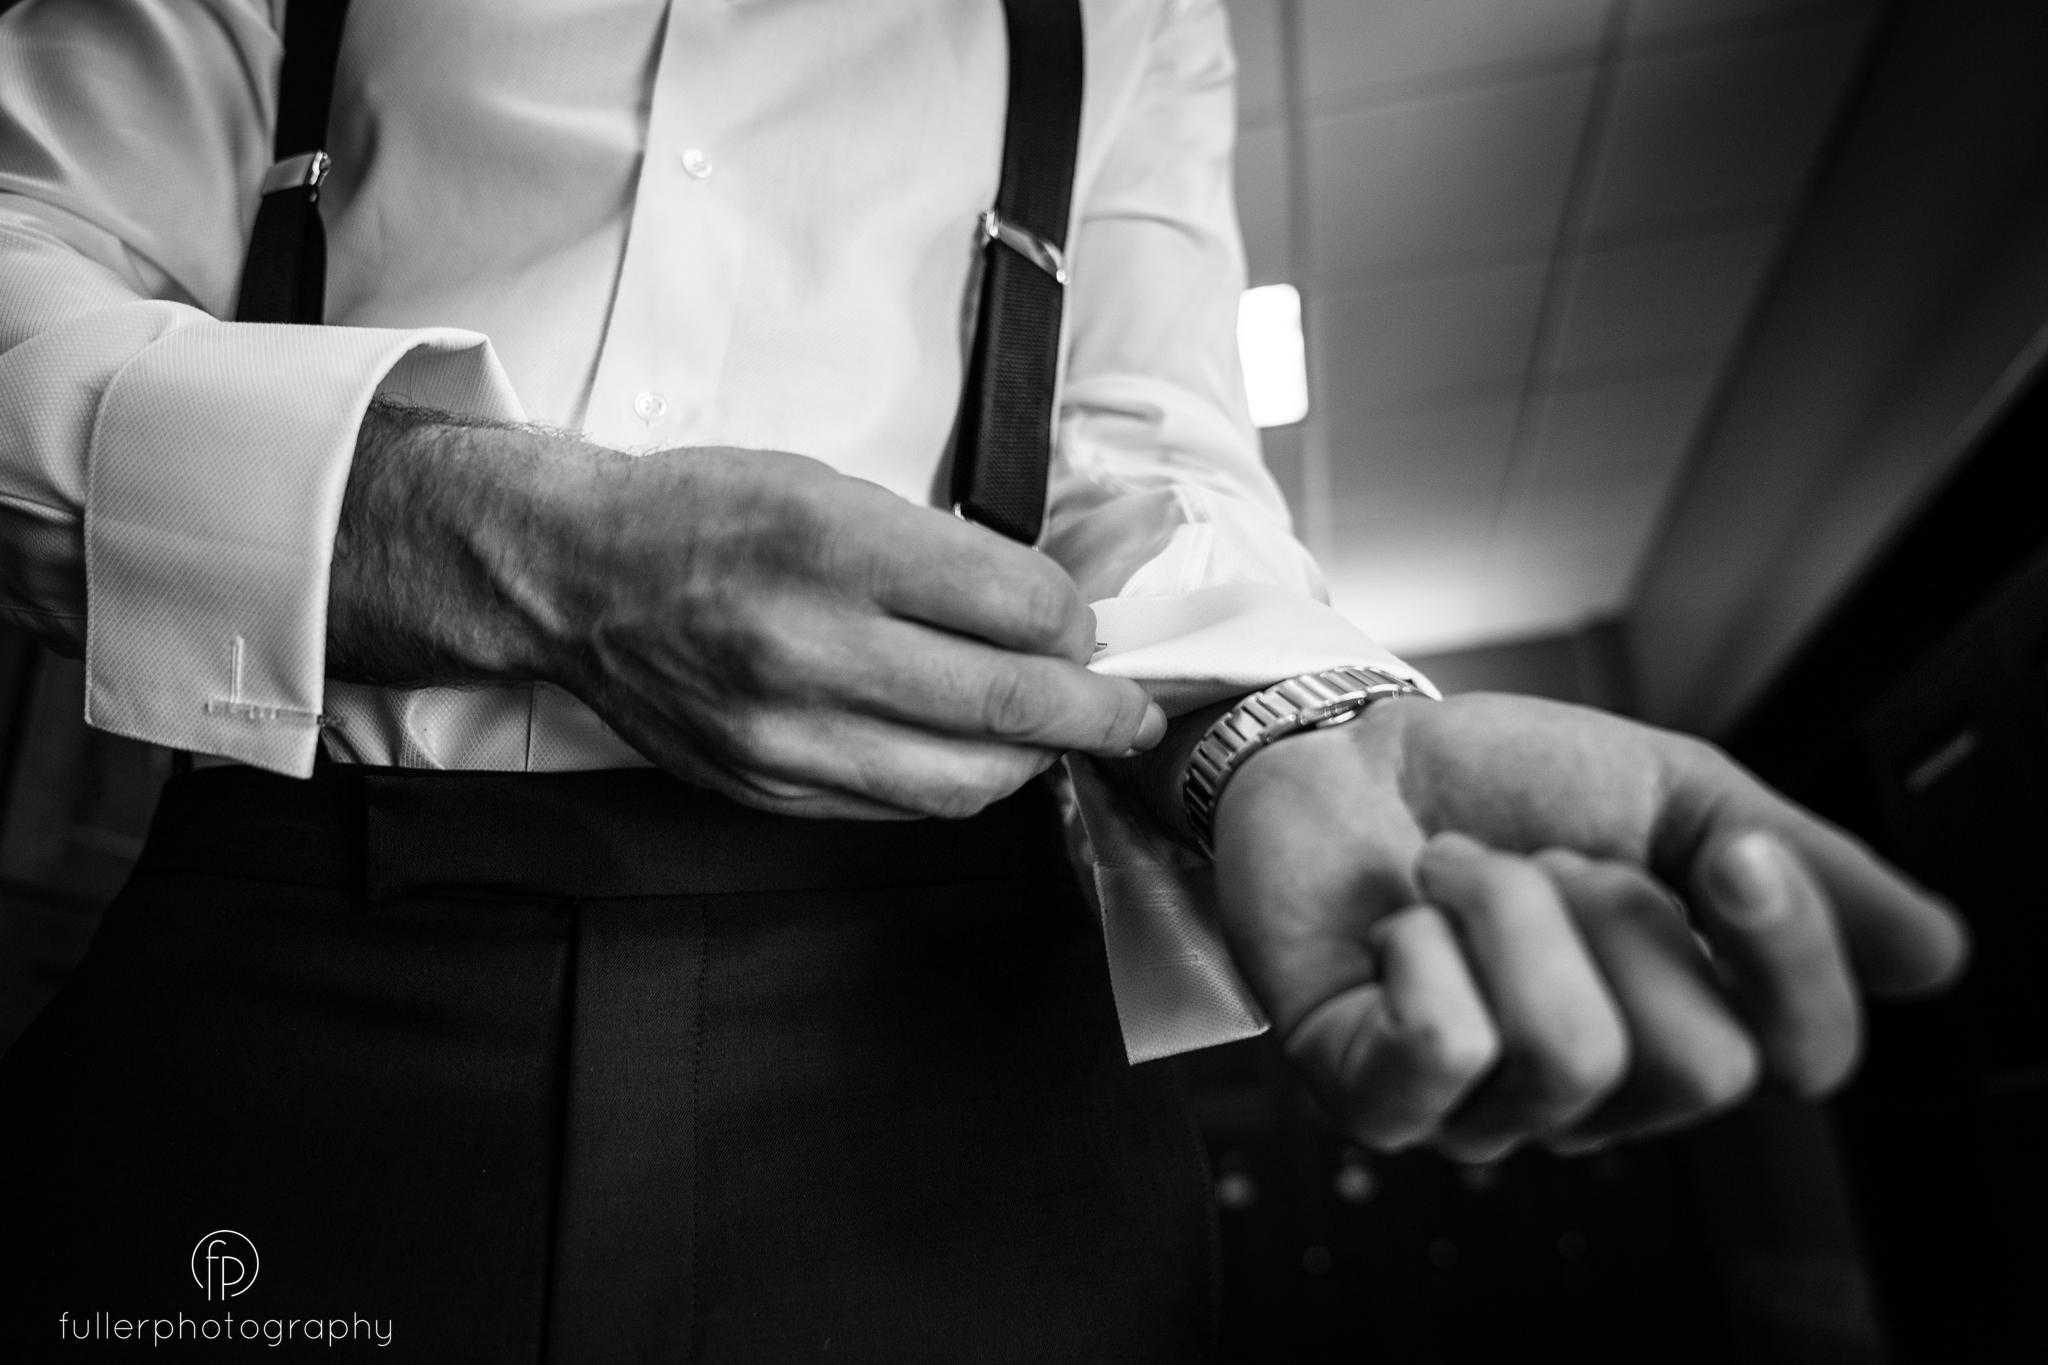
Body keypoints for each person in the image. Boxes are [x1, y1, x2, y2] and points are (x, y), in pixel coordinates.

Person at [0, 0, 1966, 1359]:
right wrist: (516, 550)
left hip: (949, 1055)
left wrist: (1291, 729)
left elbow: (1147, 460)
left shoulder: (1128, 11)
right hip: (291, 979)